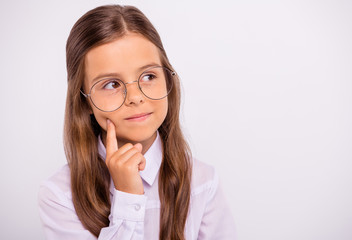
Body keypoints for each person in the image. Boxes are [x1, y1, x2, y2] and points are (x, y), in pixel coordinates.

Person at [38, 4, 237, 240]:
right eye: (112, 84)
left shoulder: (203, 183)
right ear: (83, 102)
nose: (135, 97)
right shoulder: (59, 196)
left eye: (148, 76)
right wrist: (127, 196)